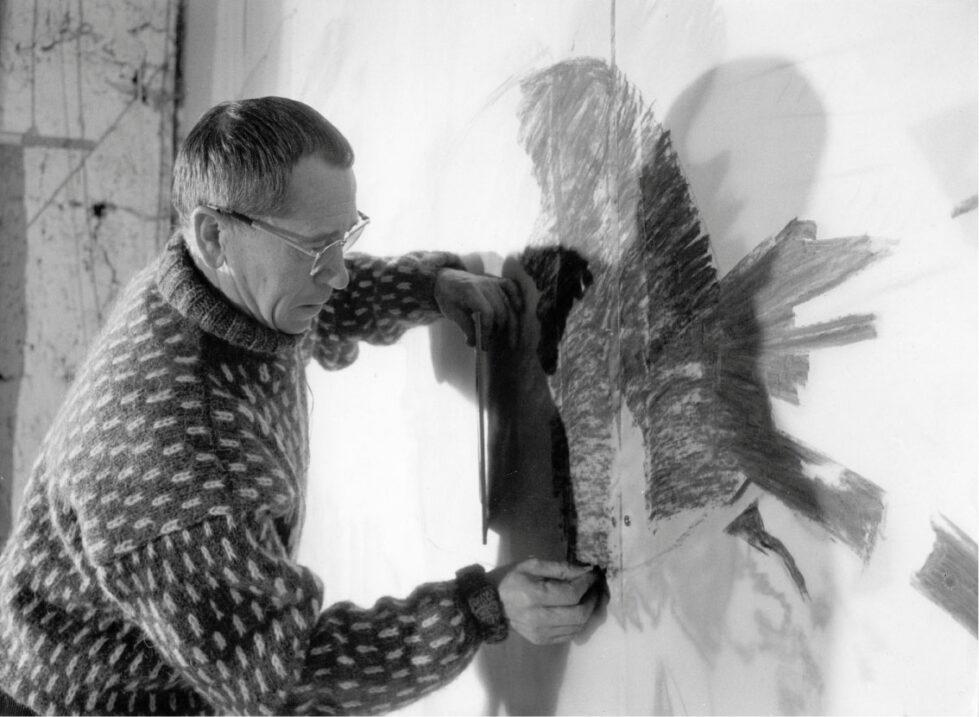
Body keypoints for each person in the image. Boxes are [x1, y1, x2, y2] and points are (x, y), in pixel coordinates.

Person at [0, 97, 599, 715]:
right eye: (316, 249)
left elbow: (303, 302)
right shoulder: (179, 461)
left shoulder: (212, 280)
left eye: (344, 237)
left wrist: (426, 287)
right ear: (214, 235)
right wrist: (480, 608)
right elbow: (287, 683)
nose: (337, 273)